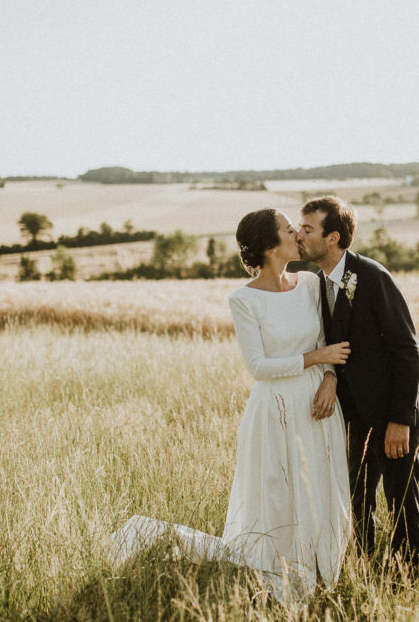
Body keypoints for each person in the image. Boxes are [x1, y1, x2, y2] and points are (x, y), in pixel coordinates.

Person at [110, 208, 351, 603]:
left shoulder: (311, 283)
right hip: (273, 409)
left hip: (317, 404)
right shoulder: (243, 299)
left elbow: (332, 338)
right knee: (277, 496)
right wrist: (315, 359)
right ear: (272, 246)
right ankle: (282, 573)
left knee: (320, 492)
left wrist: (330, 377)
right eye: (290, 230)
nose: (298, 235)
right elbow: (258, 366)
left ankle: (326, 576)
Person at [296, 196, 419, 575]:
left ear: (333, 237)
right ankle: (367, 576)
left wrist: (401, 420)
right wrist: (329, 376)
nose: (299, 235)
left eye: (308, 229)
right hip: (355, 414)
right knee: (357, 501)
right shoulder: (317, 284)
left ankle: (407, 582)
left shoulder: (372, 277)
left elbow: (408, 350)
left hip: (394, 409)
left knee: (402, 503)